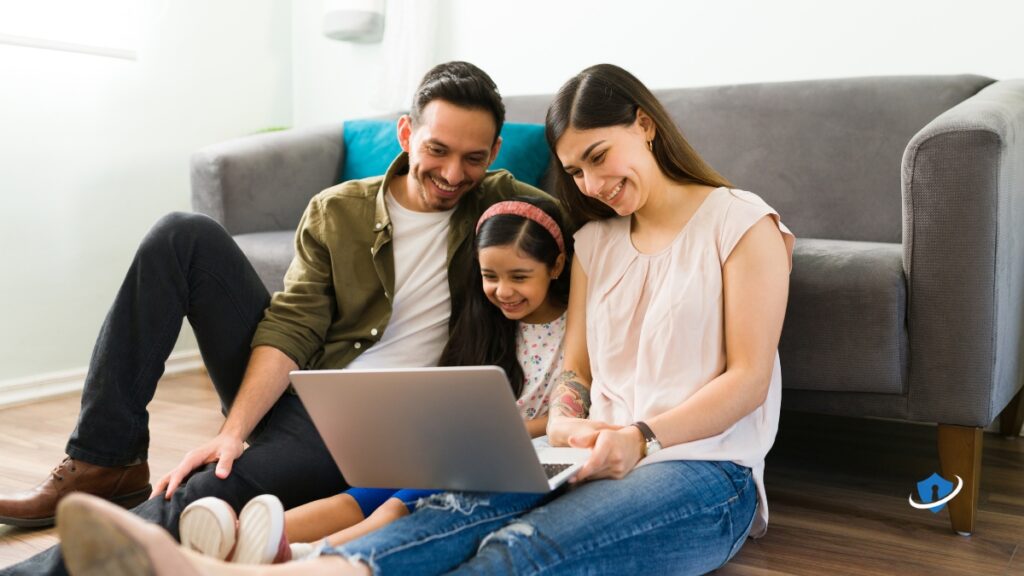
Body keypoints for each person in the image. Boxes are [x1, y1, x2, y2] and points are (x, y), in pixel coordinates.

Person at [53, 62, 795, 575]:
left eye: (600, 158)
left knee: (505, 546)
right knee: (437, 514)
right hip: (544, 446)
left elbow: (748, 379)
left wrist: (634, 434)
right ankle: (143, 500)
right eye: (575, 172)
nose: (593, 184)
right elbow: (577, 370)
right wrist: (570, 418)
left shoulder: (736, 223)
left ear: (644, 123)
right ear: (406, 134)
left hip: (694, 464)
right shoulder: (592, 239)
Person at [0, 61, 551, 576]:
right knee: (182, 235)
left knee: (200, 495)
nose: (454, 174)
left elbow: (598, 222)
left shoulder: (507, 209)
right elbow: (293, 324)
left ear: (496, 151)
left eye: (474, 158)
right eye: (438, 150)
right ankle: (103, 461)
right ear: (406, 135)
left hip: (366, 431)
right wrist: (232, 432)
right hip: (300, 382)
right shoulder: (339, 210)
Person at [174, 196, 573, 564]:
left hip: (527, 455)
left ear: (555, 267)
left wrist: (508, 430)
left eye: (519, 277)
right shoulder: (485, 323)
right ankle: (238, 538)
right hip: (462, 446)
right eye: (491, 276)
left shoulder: (574, 332)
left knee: (396, 506)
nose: (503, 291)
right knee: (359, 496)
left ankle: (305, 556)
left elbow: (568, 413)